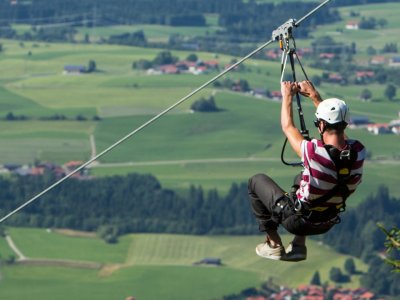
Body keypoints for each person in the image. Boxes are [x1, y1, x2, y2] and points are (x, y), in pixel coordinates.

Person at [248, 80, 365, 261]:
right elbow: (342, 138)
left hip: (297, 221)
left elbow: (288, 127)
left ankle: (273, 243)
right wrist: (316, 98)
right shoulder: (358, 152)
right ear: (345, 124)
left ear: (322, 125)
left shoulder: (314, 152)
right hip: (326, 222)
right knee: (301, 176)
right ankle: (298, 246)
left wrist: (287, 95)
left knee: (256, 181)